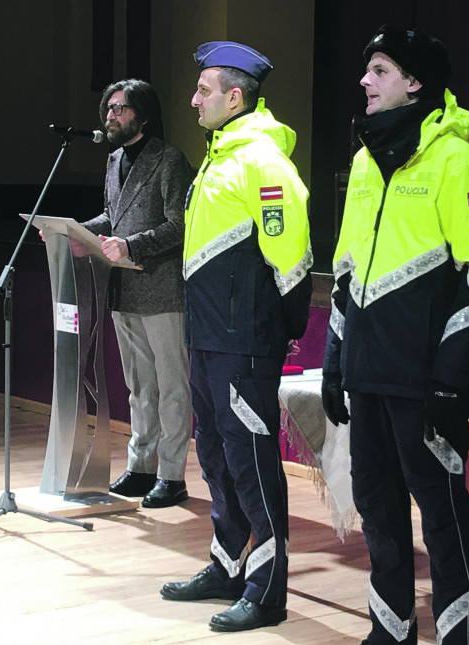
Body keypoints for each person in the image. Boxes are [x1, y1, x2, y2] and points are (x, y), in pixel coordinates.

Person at [321, 25, 469, 645]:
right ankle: (390, 630)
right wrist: (334, 358)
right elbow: (347, 269)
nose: (364, 81)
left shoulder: (459, 161)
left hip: (426, 379)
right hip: (368, 369)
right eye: (367, 70)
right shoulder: (363, 161)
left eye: (380, 70)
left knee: (444, 515)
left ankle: (459, 636)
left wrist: (451, 377)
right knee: (377, 505)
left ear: (415, 82)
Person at [159, 41, 313, 633]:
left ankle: (267, 590)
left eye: (203, 90)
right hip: (208, 336)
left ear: (235, 96)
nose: (193, 99)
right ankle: (228, 565)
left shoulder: (262, 160)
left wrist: (281, 330)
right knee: (217, 456)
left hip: (244, 340)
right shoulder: (219, 155)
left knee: (251, 462)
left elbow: (291, 257)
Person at [80, 79, 194, 508]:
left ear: (143, 115)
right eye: (108, 108)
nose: (111, 116)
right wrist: (77, 232)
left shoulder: (169, 160)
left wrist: (132, 245)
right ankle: (141, 466)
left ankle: (172, 475)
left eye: (120, 109)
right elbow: (113, 216)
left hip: (161, 288)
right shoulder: (114, 160)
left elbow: (180, 224)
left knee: (171, 387)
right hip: (124, 287)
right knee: (139, 387)